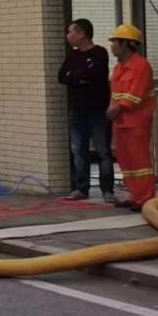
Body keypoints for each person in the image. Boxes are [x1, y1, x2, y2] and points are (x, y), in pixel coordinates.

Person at [57, 18, 114, 202]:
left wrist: (75, 76)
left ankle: (108, 190)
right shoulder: (72, 55)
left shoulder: (99, 53)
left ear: (81, 34)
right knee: (78, 150)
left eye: (70, 31)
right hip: (77, 110)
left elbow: (92, 74)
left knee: (103, 150)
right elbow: (62, 76)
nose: (68, 36)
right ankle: (81, 188)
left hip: (98, 110)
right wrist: (77, 77)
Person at [106, 24, 155, 209]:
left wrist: (116, 109)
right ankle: (135, 195)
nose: (112, 45)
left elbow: (136, 95)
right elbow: (115, 93)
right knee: (125, 160)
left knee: (139, 161)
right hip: (120, 122)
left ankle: (145, 198)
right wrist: (112, 108)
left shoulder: (141, 66)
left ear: (126, 44)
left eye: (115, 41)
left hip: (137, 122)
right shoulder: (118, 68)